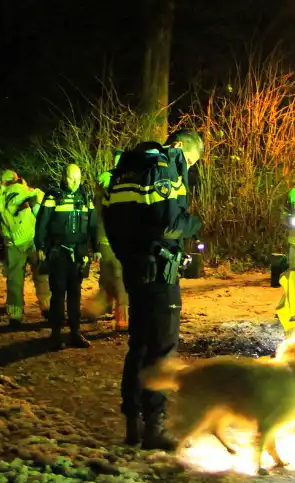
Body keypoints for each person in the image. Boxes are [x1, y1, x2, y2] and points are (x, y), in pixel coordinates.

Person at [103, 129, 204, 449]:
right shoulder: (167, 166)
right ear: (183, 150)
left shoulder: (125, 171)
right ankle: (154, 427)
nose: (188, 167)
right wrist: (194, 223)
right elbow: (170, 222)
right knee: (161, 349)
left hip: (134, 272)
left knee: (139, 346)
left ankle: (133, 423)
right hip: (161, 274)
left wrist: (130, 259)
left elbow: (111, 223)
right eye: (192, 161)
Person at [36, 163, 101, 349]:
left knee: (75, 294)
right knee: (57, 294)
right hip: (58, 253)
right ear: (64, 177)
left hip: (79, 253)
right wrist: (40, 245)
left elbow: (93, 224)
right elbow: (42, 222)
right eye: (72, 178)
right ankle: (55, 335)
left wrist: (96, 247)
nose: (75, 182)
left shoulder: (85, 196)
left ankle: (75, 333)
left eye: (78, 178)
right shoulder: (53, 196)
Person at [0, 169, 51, 327]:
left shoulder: (0, 197)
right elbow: (40, 198)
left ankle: (15, 314)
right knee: (41, 274)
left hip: (14, 243)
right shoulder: (21, 190)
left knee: (15, 279)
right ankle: (47, 307)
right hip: (31, 238)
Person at [85, 150, 129, 331]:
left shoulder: (107, 183)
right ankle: (122, 320)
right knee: (119, 279)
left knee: (109, 279)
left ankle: (94, 308)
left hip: (110, 239)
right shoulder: (115, 183)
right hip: (113, 239)